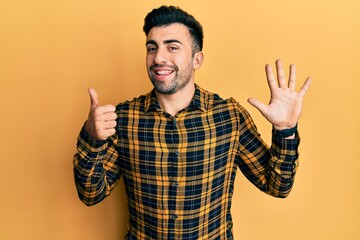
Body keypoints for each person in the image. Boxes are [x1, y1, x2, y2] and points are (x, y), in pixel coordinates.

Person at [73, 5, 312, 240]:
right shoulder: (124, 119)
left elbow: (278, 186)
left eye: (172, 47)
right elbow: (90, 193)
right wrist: (92, 137)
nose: (158, 58)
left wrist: (285, 130)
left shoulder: (229, 117)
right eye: (151, 48)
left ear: (197, 59)